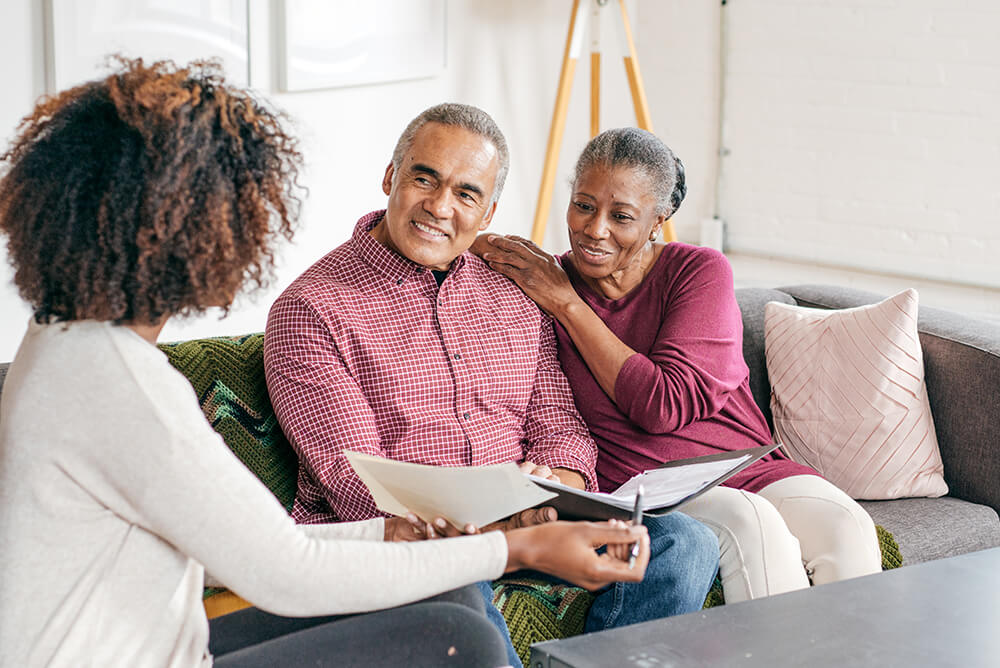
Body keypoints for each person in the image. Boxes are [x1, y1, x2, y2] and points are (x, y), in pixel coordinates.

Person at [0, 59, 656, 668]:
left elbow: (227, 559)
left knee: (452, 605)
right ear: (190, 233)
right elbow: (283, 570)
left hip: (162, 644)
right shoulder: (124, 387)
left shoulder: (65, 343)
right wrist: (515, 547)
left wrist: (394, 539)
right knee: (462, 638)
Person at [263, 103, 720, 666]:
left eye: (466, 193)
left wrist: (558, 481)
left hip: (529, 518)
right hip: (412, 543)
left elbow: (561, 426)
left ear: (489, 212)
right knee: (451, 579)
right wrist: (507, 525)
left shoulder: (513, 293)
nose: (439, 206)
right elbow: (360, 484)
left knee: (682, 543)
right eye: (424, 178)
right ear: (390, 177)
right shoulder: (311, 310)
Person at [472, 127, 883, 604]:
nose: (594, 229)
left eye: (621, 215)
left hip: (743, 464)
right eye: (583, 205)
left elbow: (663, 404)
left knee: (847, 527)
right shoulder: (545, 281)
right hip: (645, 486)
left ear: (657, 220)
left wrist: (569, 305)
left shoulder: (697, 272)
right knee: (754, 524)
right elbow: (461, 244)